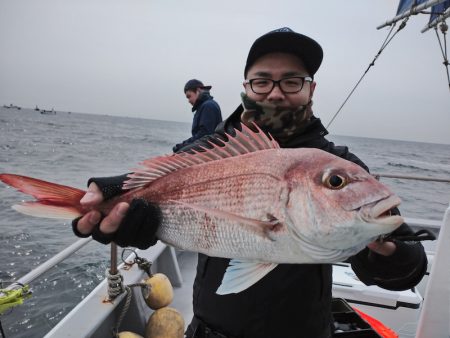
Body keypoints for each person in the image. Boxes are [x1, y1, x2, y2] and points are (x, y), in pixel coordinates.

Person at [72, 27, 427, 338]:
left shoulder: (340, 165)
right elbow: (176, 166)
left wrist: (387, 251)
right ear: (247, 86)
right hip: (209, 329)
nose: (275, 93)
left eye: (291, 81)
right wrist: (121, 194)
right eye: (262, 81)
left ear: (311, 88)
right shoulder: (213, 148)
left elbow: (408, 268)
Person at [172, 79, 222, 153]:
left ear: (198, 90)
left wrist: (182, 146)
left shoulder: (208, 106)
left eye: (189, 96)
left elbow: (205, 135)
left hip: (210, 151)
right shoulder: (203, 106)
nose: (188, 100)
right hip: (208, 148)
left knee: (178, 153)